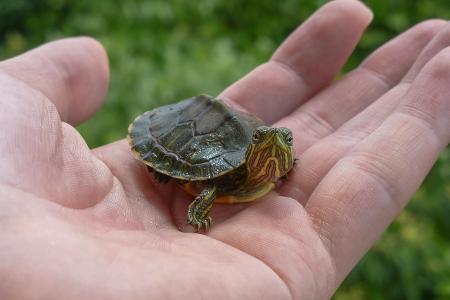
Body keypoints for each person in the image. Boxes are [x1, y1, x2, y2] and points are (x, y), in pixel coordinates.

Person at [0, 0, 449, 299]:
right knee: (194, 178)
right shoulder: (227, 174)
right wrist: (198, 210)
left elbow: (277, 152)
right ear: (257, 152)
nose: (278, 147)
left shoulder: (270, 165)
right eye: (271, 145)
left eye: (282, 146)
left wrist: (282, 164)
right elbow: (207, 184)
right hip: (181, 132)